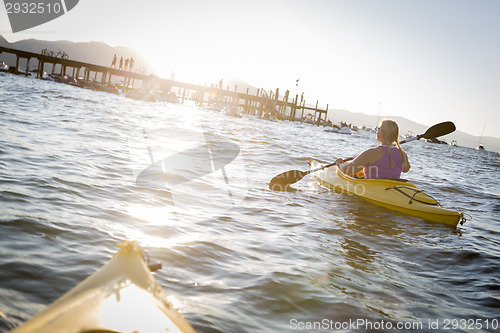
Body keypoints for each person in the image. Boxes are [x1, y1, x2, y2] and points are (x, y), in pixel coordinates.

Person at [335, 119, 410, 179]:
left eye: (378, 129)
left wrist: (339, 163)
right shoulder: (402, 153)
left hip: (374, 189)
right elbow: (405, 169)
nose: (376, 131)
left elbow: (347, 170)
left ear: (382, 133)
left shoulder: (372, 153)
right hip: (391, 189)